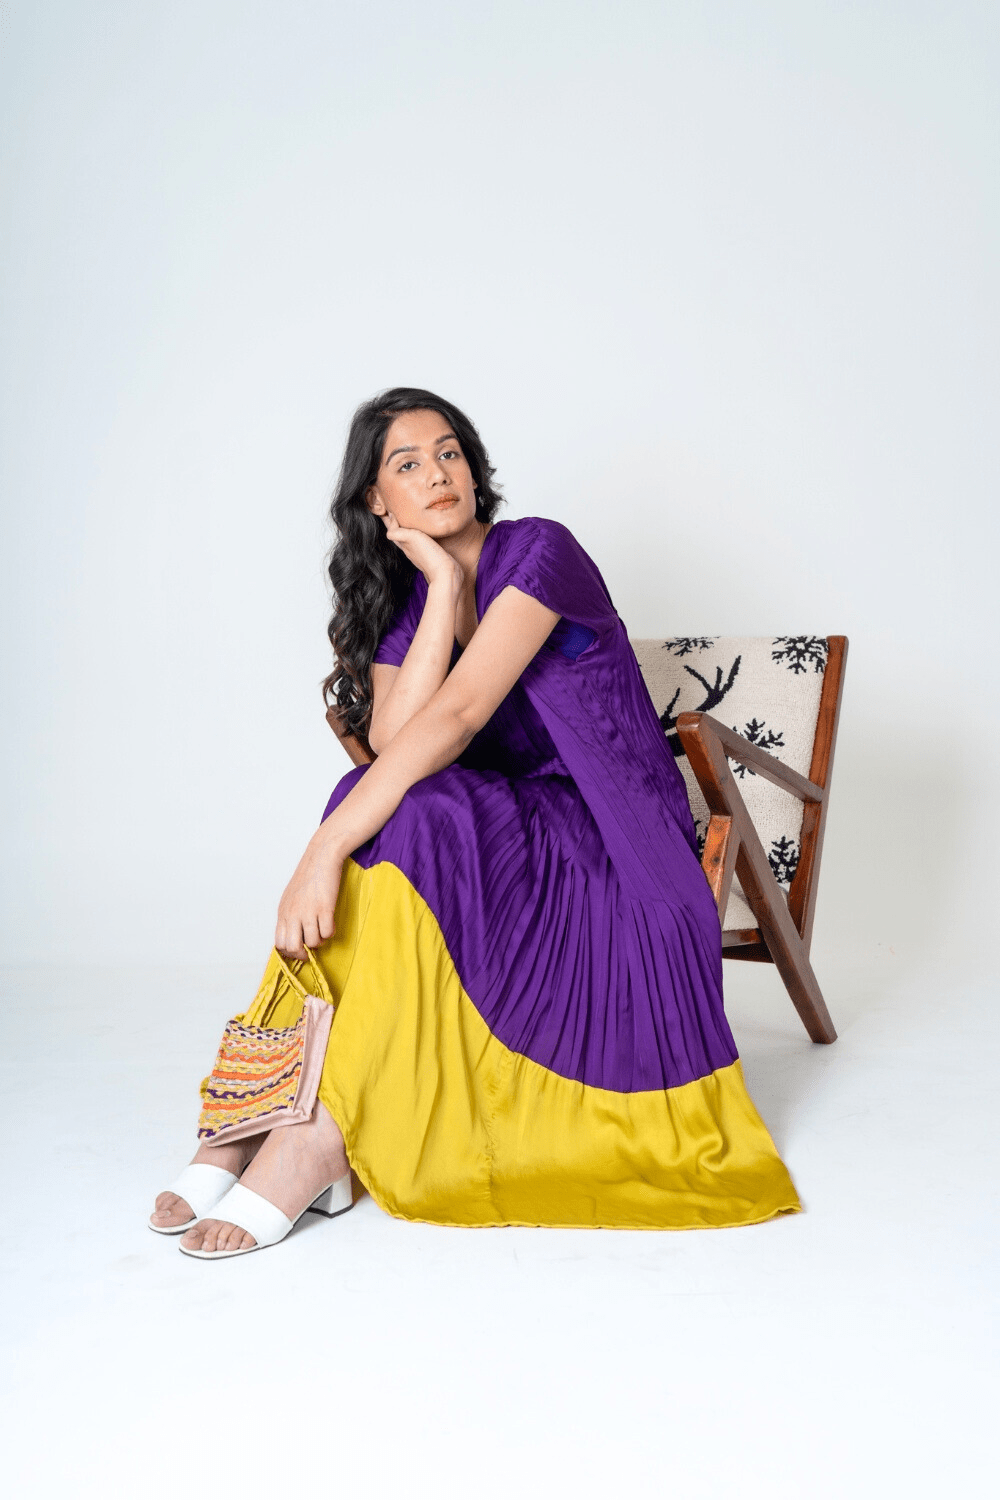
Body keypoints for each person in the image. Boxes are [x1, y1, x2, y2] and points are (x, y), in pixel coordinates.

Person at [150, 387, 800, 1258]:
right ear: (377, 499)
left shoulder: (541, 551)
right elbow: (393, 741)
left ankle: (313, 1135)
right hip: (517, 829)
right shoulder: (416, 602)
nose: (437, 473)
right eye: (407, 464)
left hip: (610, 834)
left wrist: (321, 851)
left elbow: (455, 720)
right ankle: (273, 1108)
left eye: (448, 452)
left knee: (377, 812)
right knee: (386, 797)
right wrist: (444, 583)